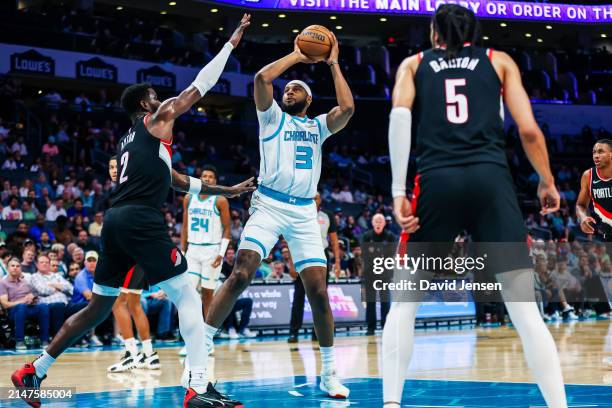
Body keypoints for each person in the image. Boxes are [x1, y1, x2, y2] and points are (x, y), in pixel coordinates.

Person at [10, 15, 254, 408]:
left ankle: (33, 370)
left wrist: (228, 189)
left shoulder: (132, 141)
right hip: (140, 219)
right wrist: (230, 44)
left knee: (98, 307)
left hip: (116, 222)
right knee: (188, 299)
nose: (163, 100)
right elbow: (199, 87)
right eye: (156, 95)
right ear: (145, 105)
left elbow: (176, 180)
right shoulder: (155, 120)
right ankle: (197, 387)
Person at [384, 5, 566, 408]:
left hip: (436, 182)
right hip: (491, 182)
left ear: (435, 34)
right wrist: (547, 181)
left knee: (404, 303)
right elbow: (529, 130)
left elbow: (399, 118)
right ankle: (559, 405)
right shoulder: (498, 61)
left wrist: (398, 191)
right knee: (525, 310)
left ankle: (391, 404)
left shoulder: (413, 65)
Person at [200, 29, 354, 399]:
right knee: (241, 273)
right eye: (287, 89)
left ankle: (329, 373)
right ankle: (200, 349)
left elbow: (347, 108)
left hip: (303, 213)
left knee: (318, 290)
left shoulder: (318, 126)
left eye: (296, 89)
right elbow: (261, 78)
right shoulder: (271, 119)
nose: (288, 90)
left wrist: (332, 63)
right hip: (268, 204)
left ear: (309, 98)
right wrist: (298, 54)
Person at [106, 155, 161, 373]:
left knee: (117, 302)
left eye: (116, 166)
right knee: (133, 303)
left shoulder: (126, 191)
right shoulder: (131, 189)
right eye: (110, 167)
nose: (113, 170)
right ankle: (149, 354)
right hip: (141, 252)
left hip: (131, 253)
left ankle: (131, 353)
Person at [288, 192, 341, 343]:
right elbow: (291, 239)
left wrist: (337, 262)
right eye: (311, 197)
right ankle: (294, 332)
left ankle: (317, 332)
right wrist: (291, 264)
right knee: (299, 296)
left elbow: (334, 241)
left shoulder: (327, 216)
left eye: (316, 197)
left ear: (320, 199)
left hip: (321, 255)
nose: (314, 199)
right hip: (302, 253)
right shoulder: (298, 214)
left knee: (321, 296)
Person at [181, 165, 231, 319]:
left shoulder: (220, 200)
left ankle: (208, 330)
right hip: (193, 251)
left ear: (215, 180)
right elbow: (184, 227)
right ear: (200, 178)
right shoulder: (189, 197)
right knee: (188, 292)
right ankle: (191, 328)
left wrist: (221, 254)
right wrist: (183, 252)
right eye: (204, 176)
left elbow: (227, 229)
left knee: (207, 293)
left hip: (212, 251)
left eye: (210, 176)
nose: (207, 178)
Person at [0, 257, 50, 350]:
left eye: (18, 266)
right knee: (21, 307)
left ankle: (44, 340)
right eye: (12, 266)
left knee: (43, 306)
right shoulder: (3, 283)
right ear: (8, 268)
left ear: (20, 269)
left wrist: (32, 298)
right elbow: (5, 304)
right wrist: (22, 301)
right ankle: (19, 341)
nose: (15, 268)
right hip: (13, 312)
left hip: (28, 307)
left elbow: (30, 296)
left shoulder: (24, 282)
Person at [361, 213, 395, 335]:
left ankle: (386, 326)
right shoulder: (366, 236)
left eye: (381, 221)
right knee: (370, 301)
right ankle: (371, 327)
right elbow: (365, 254)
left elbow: (391, 254)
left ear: (384, 223)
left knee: (385, 300)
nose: (379, 223)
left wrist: (376, 252)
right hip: (370, 273)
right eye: (376, 221)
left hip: (385, 273)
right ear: (372, 223)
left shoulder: (390, 236)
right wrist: (380, 253)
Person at [30, 254, 74, 337]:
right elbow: (43, 290)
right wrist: (59, 287)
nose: (44, 264)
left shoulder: (57, 275)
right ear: (37, 264)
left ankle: (80, 338)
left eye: (46, 262)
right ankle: (59, 338)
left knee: (82, 306)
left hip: (66, 303)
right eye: (42, 262)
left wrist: (52, 284)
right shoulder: (34, 276)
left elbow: (70, 288)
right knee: (58, 306)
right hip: (47, 305)